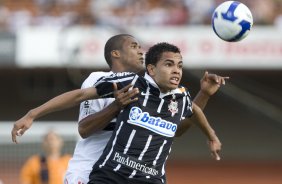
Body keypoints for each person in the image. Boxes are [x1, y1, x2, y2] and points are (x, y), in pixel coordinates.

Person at [12, 34, 228, 184]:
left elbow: (178, 127)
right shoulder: (100, 79)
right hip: (92, 168)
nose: (141, 51)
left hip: (135, 171)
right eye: (134, 46)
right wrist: (116, 105)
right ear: (115, 54)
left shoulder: (155, 89)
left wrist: (205, 100)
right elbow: (84, 129)